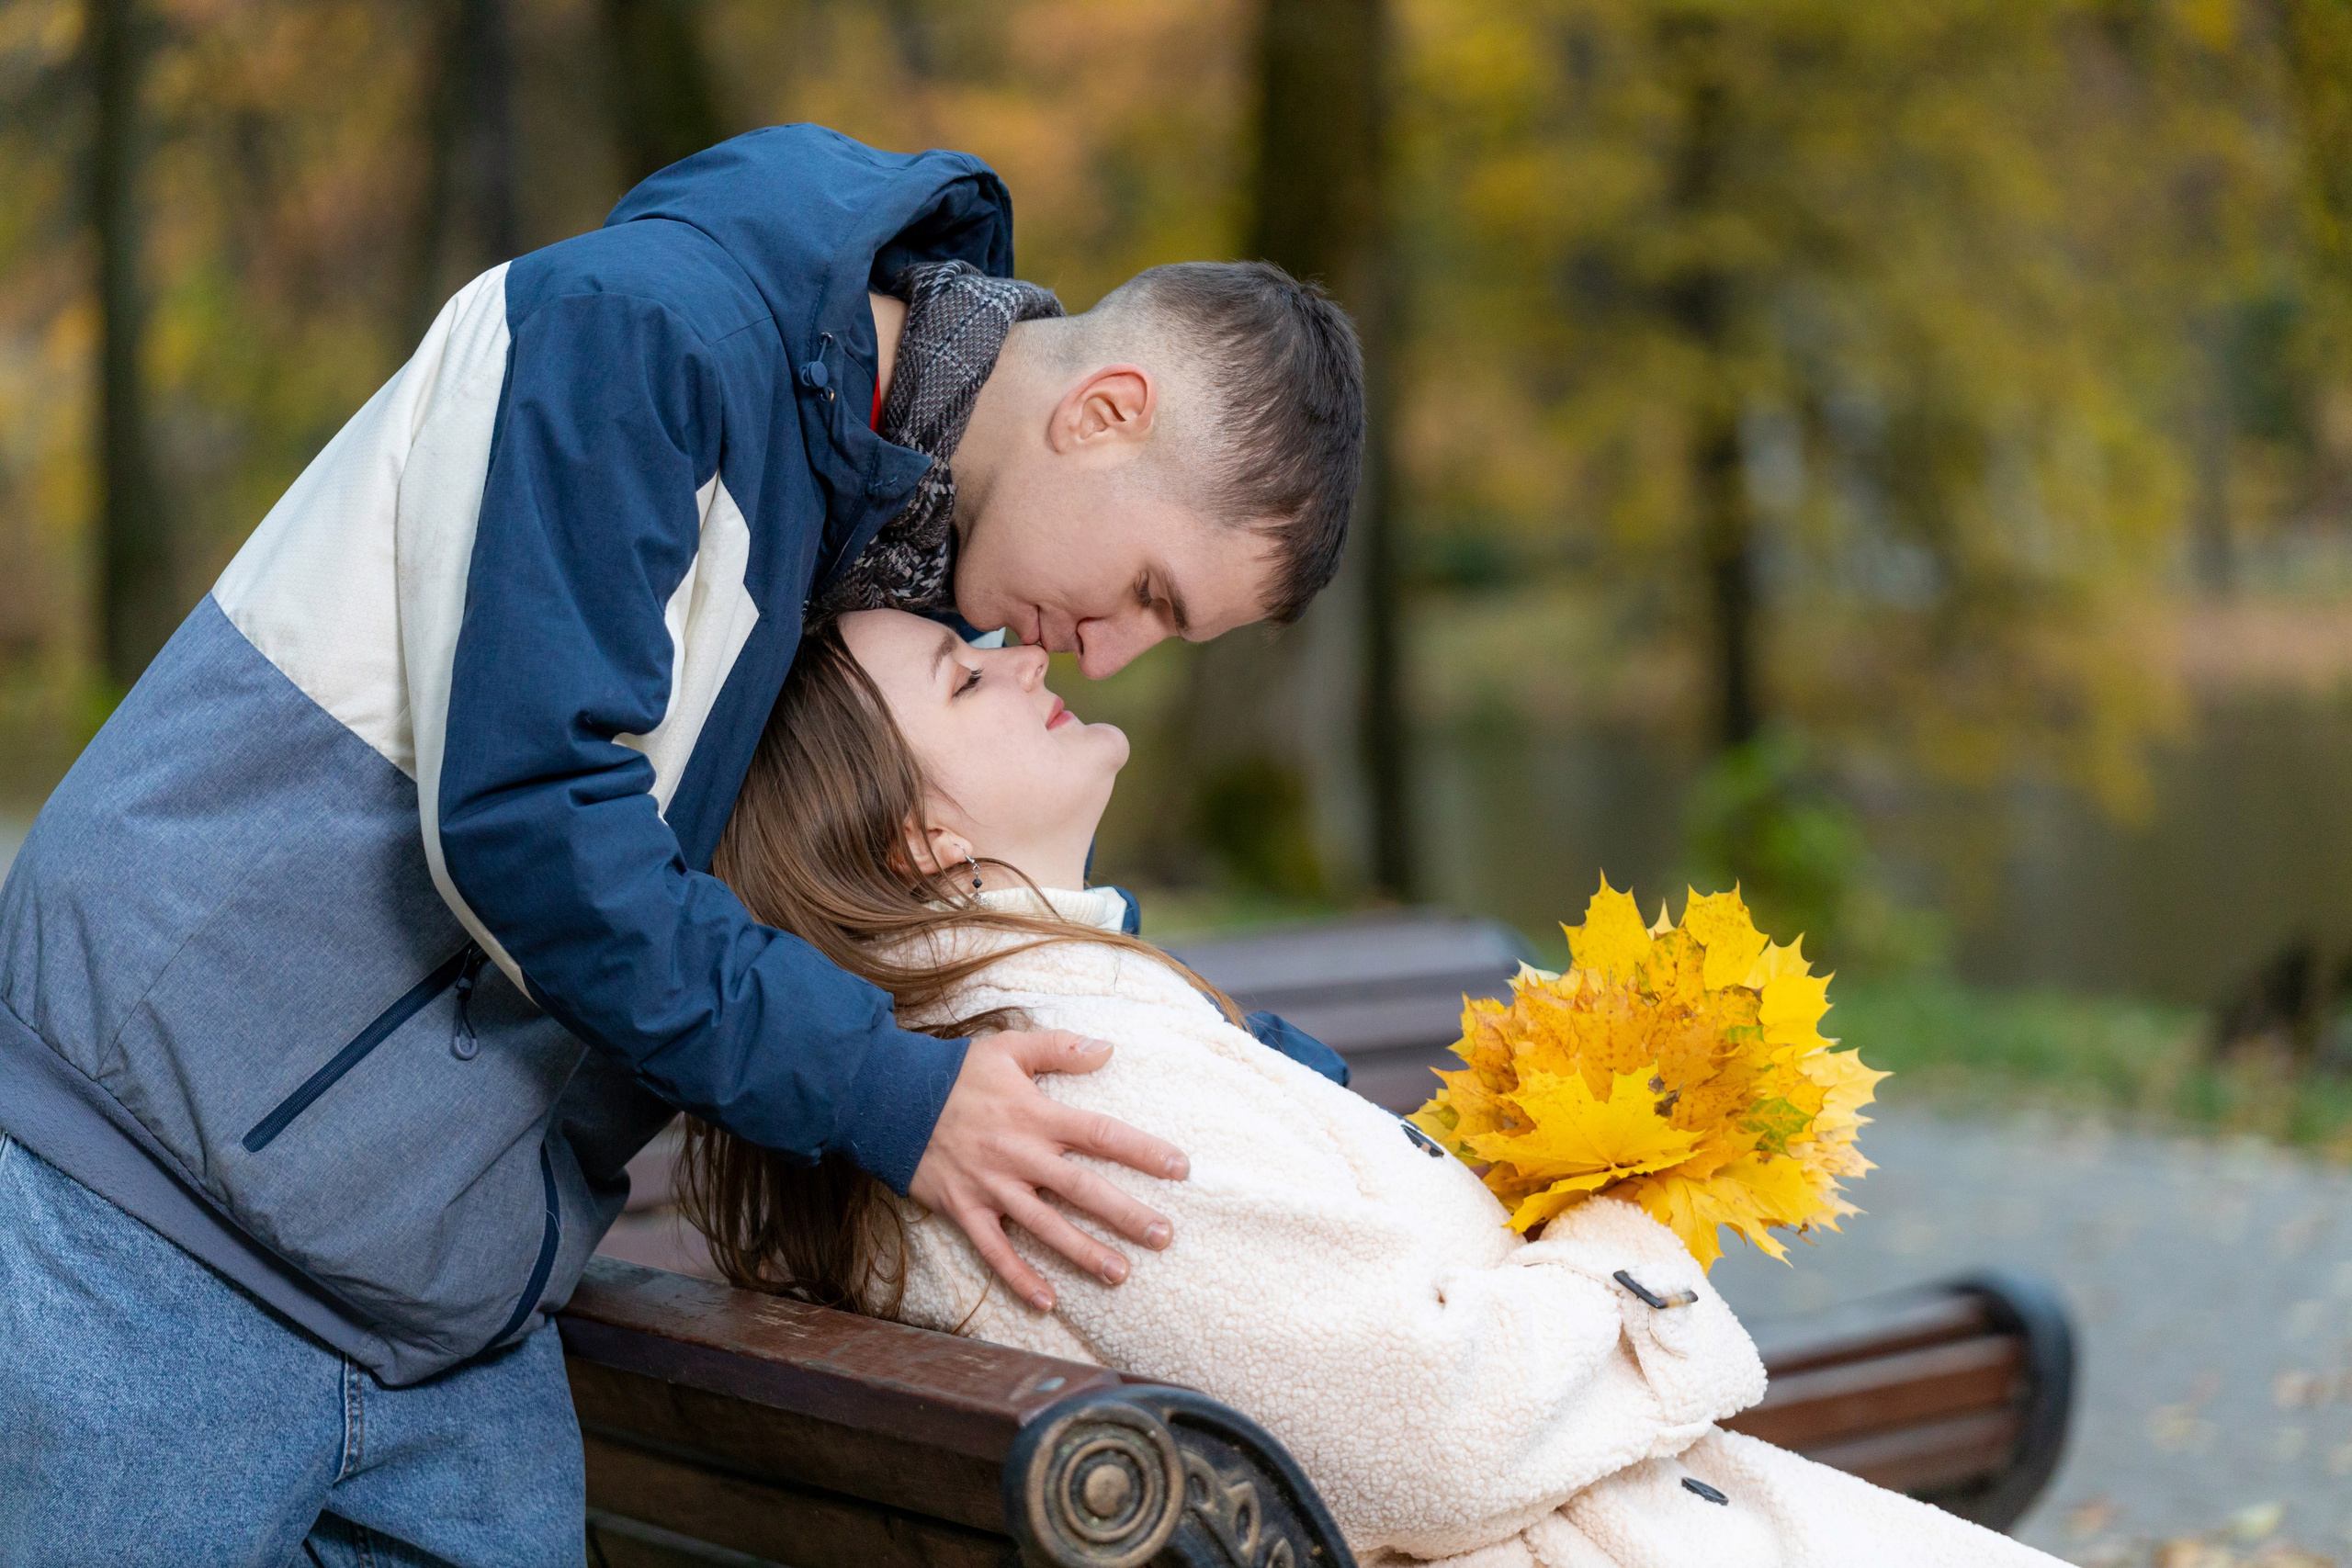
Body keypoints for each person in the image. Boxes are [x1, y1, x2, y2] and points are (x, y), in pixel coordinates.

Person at [0, 126, 1363, 1566]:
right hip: (144, 1233)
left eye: (1169, 630)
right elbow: (533, 823)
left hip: (442, 1318)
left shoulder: (897, 551)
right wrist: (883, 1092)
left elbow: (967, 920)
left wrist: (1341, 1126)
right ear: (1104, 412)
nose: (1115, 654)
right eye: (1147, 591)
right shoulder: (644, 337)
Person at [678, 606, 2068, 1568]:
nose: (1023, 652)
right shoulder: (1052, 1073)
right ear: (918, 837)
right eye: (964, 678)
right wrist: (1630, 1224)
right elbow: (1438, 1427)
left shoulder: (1014, 1037)